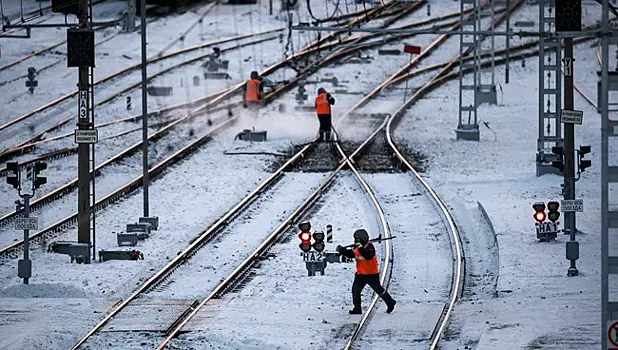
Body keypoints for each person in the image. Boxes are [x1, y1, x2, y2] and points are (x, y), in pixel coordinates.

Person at [336, 229, 396, 315]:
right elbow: (351, 254)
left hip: (371, 274)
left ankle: (390, 302)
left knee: (378, 290)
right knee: (355, 291)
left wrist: (360, 248)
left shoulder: (370, 247)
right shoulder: (357, 247)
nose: (355, 240)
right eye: (355, 239)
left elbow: (368, 256)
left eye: (357, 239)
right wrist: (342, 250)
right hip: (360, 274)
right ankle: (357, 308)